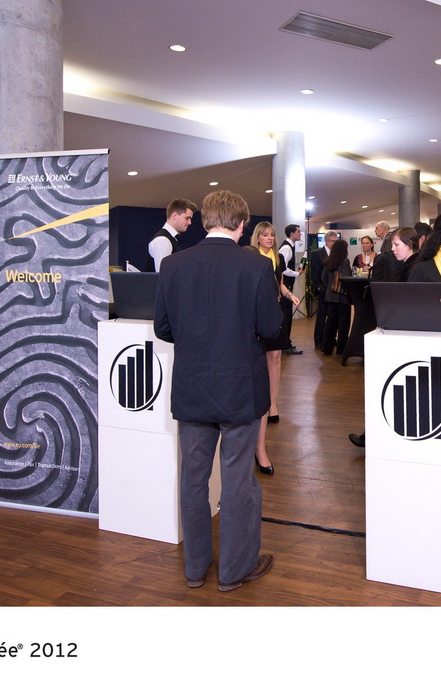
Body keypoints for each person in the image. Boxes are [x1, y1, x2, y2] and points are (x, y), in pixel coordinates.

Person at [153, 190, 282, 592]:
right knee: (238, 480)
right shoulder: (256, 265)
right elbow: (271, 328)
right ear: (242, 224)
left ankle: (195, 568)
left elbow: (163, 328)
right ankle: (234, 571)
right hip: (240, 389)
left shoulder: (173, 264)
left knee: (193, 480)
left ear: (206, 220)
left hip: (192, 388)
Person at [349, 226, 421, 448]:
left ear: (410, 244)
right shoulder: (410, 265)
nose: (393, 249)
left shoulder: (413, 268)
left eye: (397, 245)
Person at [248, 223, 304, 475]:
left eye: (272, 235)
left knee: (276, 356)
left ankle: (272, 403)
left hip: (276, 308)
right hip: (259, 311)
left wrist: (289, 295)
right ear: (257, 237)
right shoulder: (251, 255)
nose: (269, 238)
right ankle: (263, 404)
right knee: (261, 358)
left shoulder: (278, 257)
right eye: (265, 235)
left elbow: (280, 283)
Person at [319, 238, 353, 356]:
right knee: (343, 323)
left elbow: (323, 279)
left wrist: (330, 287)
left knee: (331, 322)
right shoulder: (345, 261)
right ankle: (341, 349)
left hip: (330, 296)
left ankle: (327, 348)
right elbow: (345, 277)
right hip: (342, 297)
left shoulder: (328, 261)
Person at [276, 224, 304, 355]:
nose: (300, 234)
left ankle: (286, 343)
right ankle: (285, 345)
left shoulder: (288, 247)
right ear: (292, 233)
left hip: (286, 287)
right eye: (298, 231)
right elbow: (283, 269)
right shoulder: (286, 248)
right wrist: (297, 273)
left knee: (287, 316)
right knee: (286, 317)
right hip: (285, 288)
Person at [149, 198, 197, 272]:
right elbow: (164, 274)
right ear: (174, 216)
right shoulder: (162, 240)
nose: (190, 222)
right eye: (187, 218)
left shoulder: (173, 239)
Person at [309, 231, 339, 343]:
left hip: (333, 289)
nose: (334, 244)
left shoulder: (337, 254)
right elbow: (315, 272)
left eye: (336, 241)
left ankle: (330, 338)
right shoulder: (317, 254)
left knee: (332, 315)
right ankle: (318, 339)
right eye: (332, 241)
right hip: (323, 289)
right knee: (322, 315)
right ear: (326, 241)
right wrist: (319, 287)